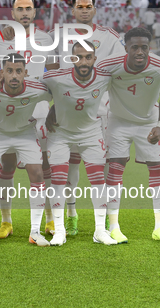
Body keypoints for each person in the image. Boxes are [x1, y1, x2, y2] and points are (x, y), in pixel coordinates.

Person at [52, 0, 124, 236]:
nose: (84, 10)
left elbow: (121, 70)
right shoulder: (58, 36)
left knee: (99, 164)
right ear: (72, 11)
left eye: (88, 6)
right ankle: (71, 214)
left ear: (94, 9)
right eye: (79, 7)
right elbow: (50, 69)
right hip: (65, 110)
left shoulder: (109, 37)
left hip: (99, 109)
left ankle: (105, 220)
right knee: (70, 164)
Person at [97, 27, 160, 244]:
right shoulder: (108, 66)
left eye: (144, 47)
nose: (140, 51)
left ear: (150, 47)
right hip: (118, 122)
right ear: (126, 47)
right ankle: (114, 226)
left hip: (149, 122)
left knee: (157, 167)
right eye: (135, 47)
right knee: (115, 169)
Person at [0, 0, 55, 238]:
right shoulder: (0, 42)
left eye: (29, 8)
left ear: (34, 12)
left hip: (38, 111)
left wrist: (55, 107)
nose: (24, 13)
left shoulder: (46, 39)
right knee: (7, 167)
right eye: (20, 9)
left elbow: (56, 74)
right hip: (9, 113)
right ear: (13, 14)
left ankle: (49, 220)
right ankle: (6, 221)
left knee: (43, 168)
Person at [43, 41, 118, 246]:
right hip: (60, 133)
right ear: (71, 59)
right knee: (58, 180)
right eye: (78, 57)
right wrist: (51, 109)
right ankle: (59, 231)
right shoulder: (54, 77)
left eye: (87, 57)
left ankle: (100, 231)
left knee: (97, 181)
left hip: (91, 133)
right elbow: (33, 88)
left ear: (94, 59)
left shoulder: (105, 77)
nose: (83, 61)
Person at [0, 53, 54, 248]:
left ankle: (35, 232)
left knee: (37, 173)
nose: (13, 76)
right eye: (9, 70)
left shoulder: (37, 88)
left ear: (25, 73)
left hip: (24, 133)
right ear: (2, 72)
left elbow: (61, 94)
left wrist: (53, 113)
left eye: (18, 71)